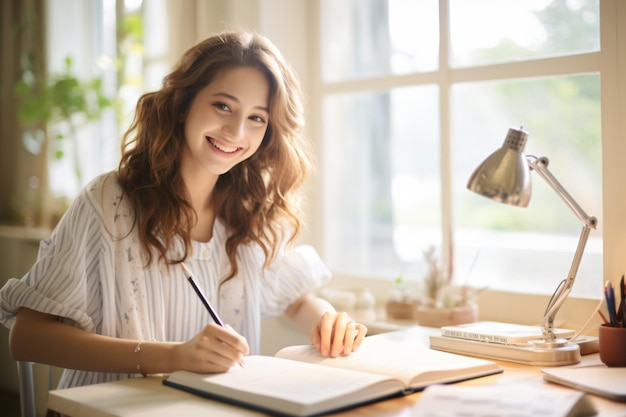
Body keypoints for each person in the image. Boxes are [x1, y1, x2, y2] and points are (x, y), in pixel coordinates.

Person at [0, 31, 367, 390]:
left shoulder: (251, 214)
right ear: (182, 104)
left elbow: (296, 299)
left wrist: (328, 323)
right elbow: (27, 336)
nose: (236, 131)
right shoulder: (108, 201)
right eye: (223, 105)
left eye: (257, 117)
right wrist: (174, 357)